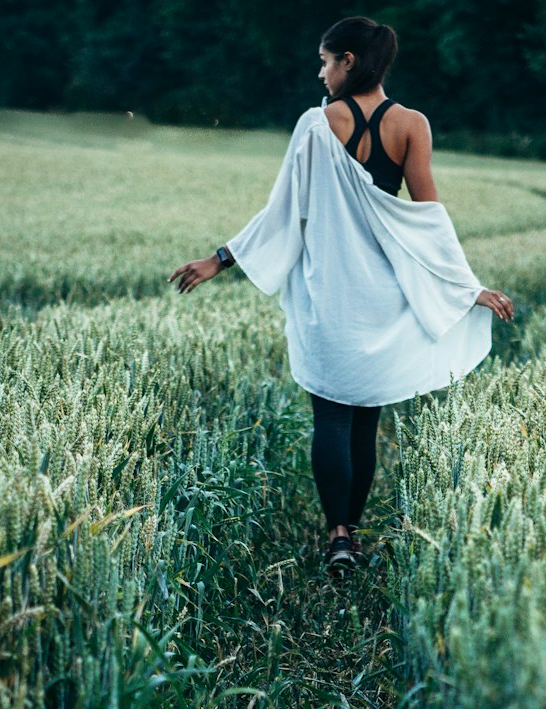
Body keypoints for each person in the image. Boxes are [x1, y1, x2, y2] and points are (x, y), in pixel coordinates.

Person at [168, 16, 514, 576]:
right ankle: (351, 536)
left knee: (329, 415)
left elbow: (283, 211)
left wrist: (220, 259)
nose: (322, 72)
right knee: (365, 418)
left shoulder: (314, 124)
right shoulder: (412, 125)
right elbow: (428, 220)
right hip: (384, 296)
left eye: (327, 61)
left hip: (328, 294)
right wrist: (465, 288)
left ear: (349, 60)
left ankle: (338, 536)